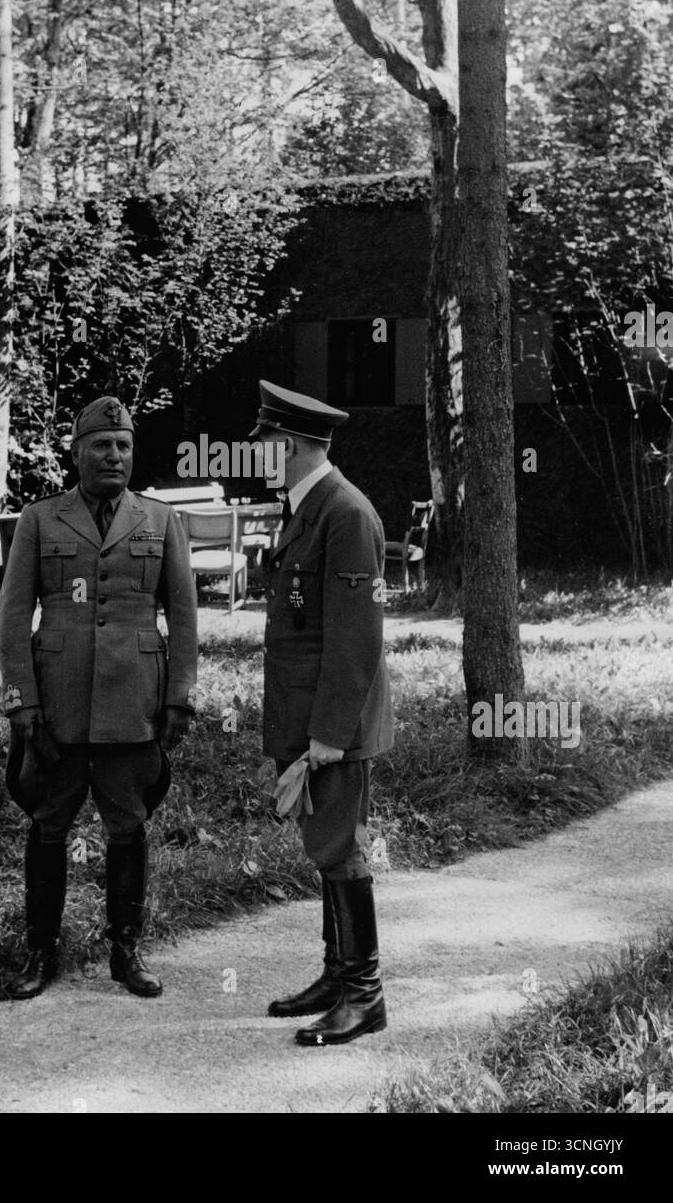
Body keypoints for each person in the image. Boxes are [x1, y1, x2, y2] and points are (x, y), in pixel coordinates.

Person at [0, 396, 198, 1000]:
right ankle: (40, 953)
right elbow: (12, 618)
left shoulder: (162, 521)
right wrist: (20, 702)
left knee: (128, 825)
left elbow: (184, 619)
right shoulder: (40, 519)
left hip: (134, 701)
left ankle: (126, 951)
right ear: (77, 452)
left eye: (124, 446)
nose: (115, 456)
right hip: (55, 704)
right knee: (48, 824)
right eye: (102, 445)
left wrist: (180, 698)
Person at [251, 379, 393, 1046]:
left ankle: (364, 997)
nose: (258, 454)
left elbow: (356, 636)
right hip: (305, 714)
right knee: (323, 847)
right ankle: (338, 977)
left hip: (331, 724)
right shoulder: (306, 507)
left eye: (267, 443)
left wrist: (329, 736)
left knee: (341, 849)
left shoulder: (345, 513)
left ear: (294, 444)